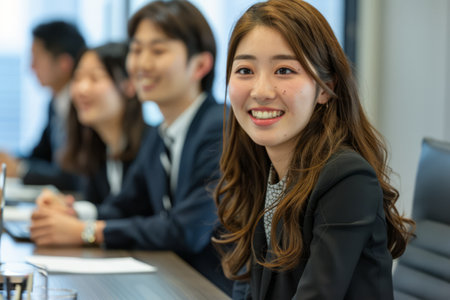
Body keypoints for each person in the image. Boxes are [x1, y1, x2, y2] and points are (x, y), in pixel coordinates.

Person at [213, 1, 415, 299]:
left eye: (283, 70)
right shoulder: (263, 165)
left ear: (324, 88)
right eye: (245, 70)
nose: (261, 91)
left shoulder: (347, 178)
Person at [32, 1, 232, 294]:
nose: (141, 63)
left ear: (200, 65)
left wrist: (88, 232)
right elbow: (124, 206)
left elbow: (186, 230)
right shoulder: (163, 134)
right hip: (169, 282)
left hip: (207, 288)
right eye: (137, 50)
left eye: (158, 50)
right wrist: (73, 214)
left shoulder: (219, 128)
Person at [31, 42, 148, 241]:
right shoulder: (98, 147)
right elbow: (112, 210)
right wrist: (70, 210)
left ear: (130, 84)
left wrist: (83, 230)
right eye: (77, 79)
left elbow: (143, 217)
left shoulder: (152, 145)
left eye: (95, 78)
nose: (81, 89)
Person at [0, 21, 85, 191]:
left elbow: (76, 176)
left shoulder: (85, 106)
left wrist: (22, 169)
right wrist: (10, 160)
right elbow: (41, 155)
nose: (31, 67)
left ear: (64, 63)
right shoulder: (55, 103)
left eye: (36, 58)